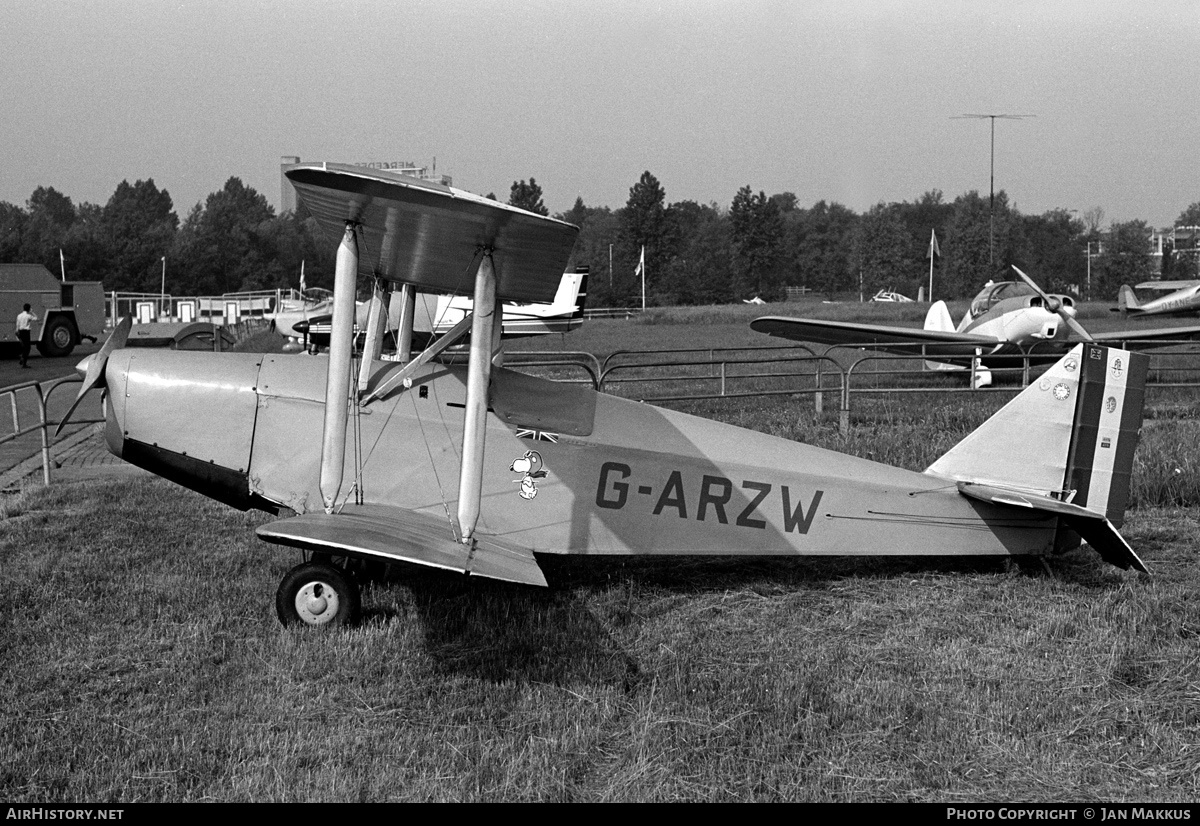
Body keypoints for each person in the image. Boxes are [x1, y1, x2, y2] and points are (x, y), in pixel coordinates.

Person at [16, 303, 37, 368]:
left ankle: (22, 358)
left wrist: (17, 331)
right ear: (28, 309)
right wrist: (32, 312)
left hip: (20, 331)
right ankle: (24, 361)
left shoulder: (19, 315)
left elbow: (17, 324)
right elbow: (36, 318)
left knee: (24, 346)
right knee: (28, 347)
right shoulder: (28, 316)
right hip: (26, 332)